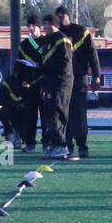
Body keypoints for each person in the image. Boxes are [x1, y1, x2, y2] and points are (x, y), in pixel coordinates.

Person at [57, 6, 101, 160]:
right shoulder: (57, 35)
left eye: (62, 15)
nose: (61, 18)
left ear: (69, 16)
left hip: (79, 78)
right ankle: (67, 145)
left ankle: (82, 146)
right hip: (63, 81)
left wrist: (97, 75)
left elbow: (92, 54)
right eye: (58, 16)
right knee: (64, 113)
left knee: (79, 114)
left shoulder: (82, 31)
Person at [38, 12, 74, 159]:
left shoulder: (62, 40)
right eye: (44, 24)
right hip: (50, 81)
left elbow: (64, 64)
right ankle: (56, 143)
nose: (45, 27)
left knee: (56, 112)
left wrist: (47, 71)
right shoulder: (47, 40)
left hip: (61, 81)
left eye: (49, 24)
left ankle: (61, 145)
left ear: (55, 25)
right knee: (49, 113)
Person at [14, 16, 44, 151]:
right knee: (29, 116)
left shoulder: (46, 42)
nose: (31, 28)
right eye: (29, 25)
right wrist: (21, 82)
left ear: (40, 27)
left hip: (43, 84)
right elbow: (19, 65)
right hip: (28, 86)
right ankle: (30, 143)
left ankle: (47, 143)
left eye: (33, 25)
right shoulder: (24, 44)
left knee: (47, 116)